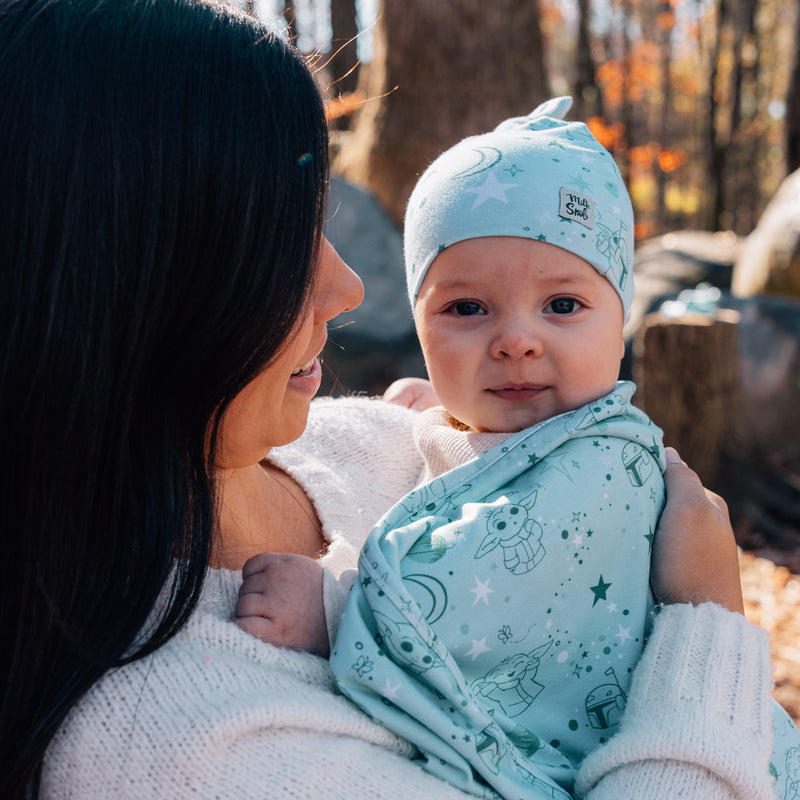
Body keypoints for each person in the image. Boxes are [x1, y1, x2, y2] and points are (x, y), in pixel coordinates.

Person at [0, 2, 784, 799]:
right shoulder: (177, 749)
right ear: (127, 289)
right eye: (282, 243)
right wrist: (706, 627)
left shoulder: (353, 438)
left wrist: (448, 442)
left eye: (565, 305)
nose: (348, 287)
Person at [236, 101, 798, 799]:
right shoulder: (508, 427)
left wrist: (339, 608)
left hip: (689, 755)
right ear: (419, 323)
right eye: (466, 310)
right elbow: (481, 472)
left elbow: (503, 576)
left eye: (562, 306)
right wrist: (444, 417)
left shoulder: (609, 463)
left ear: (620, 319)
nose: (515, 341)